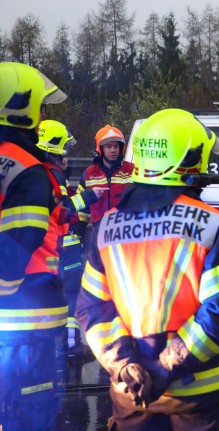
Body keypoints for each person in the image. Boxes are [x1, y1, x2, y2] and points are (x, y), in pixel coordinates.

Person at [76, 108, 219, 430]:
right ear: (186, 159)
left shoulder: (107, 227)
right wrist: (164, 368)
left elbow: (92, 311)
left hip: (132, 393)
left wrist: (127, 366)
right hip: (200, 396)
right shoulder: (210, 223)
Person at [0, 61, 68, 430]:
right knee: (30, 410)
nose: (43, 115)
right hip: (23, 321)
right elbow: (19, 240)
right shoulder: (26, 169)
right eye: (40, 107)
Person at [37, 119, 103, 354]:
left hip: (49, 248)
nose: (67, 152)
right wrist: (89, 197)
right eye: (65, 146)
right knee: (70, 293)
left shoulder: (35, 170)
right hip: (59, 247)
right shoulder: (53, 174)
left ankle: (64, 344)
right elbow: (62, 208)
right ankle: (69, 345)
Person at [76, 124, 134, 240]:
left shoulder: (132, 171)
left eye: (116, 146)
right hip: (99, 236)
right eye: (108, 146)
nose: (113, 150)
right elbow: (81, 210)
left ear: (121, 148)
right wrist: (79, 233)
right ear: (100, 149)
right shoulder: (89, 174)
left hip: (127, 235)